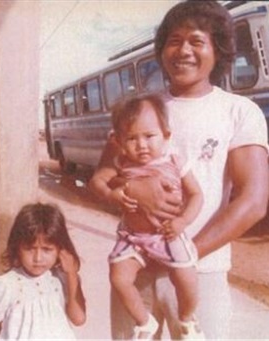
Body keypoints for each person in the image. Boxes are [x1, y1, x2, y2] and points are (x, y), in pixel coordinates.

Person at [94, 1, 269, 339]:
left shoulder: (239, 112)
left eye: (196, 41)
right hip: (136, 275)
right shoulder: (140, 110)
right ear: (161, 50)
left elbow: (253, 201)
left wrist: (181, 256)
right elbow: (102, 178)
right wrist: (130, 192)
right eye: (174, 41)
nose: (183, 50)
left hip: (200, 273)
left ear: (218, 49)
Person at [90, 94, 204, 340]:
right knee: (118, 277)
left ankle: (187, 318)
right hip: (134, 238)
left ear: (166, 135)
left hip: (167, 234)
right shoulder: (122, 163)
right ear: (119, 142)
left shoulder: (174, 162)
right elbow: (97, 181)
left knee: (187, 278)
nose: (141, 145)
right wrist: (113, 195)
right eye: (131, 138)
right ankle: (144, 322)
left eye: (149, 136)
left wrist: (182, 221)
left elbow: (196, 195)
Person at [0, 203, 86, 340]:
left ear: (60, 249)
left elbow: (79, 319)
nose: (38, 258)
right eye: (30, 249)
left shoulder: (63, 279)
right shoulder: (4, 286)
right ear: (17, 247)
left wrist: (71, 274)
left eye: (47, 249)